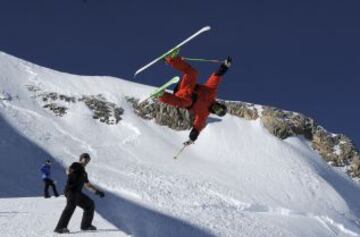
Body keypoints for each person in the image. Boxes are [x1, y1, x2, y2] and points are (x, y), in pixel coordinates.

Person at [158, 49, 231, 145]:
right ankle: (171, 59)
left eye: (218, 111)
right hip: (186, 87)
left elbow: (198, 126)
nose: (216, 109)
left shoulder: (204, 114)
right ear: (219, 104)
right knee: (193, 73)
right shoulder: (211, 92)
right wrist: (224, 67)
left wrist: (192, 137)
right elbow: (215, 79)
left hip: (182, 98)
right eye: (219, 108)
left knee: (187, 102)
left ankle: (161, 95)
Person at [54, 153, 105, 234]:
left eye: (88, 159)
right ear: (81, 159)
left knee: (90, 204)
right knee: (71, 206)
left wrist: (97, 191)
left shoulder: (84, 173)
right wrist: (69, 171)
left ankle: (86, 225)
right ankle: (60, 227)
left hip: (78, 193)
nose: (87, 160)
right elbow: (69, 169)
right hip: (71, 191)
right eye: (85, 158)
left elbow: (87, 184)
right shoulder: (76, 165)